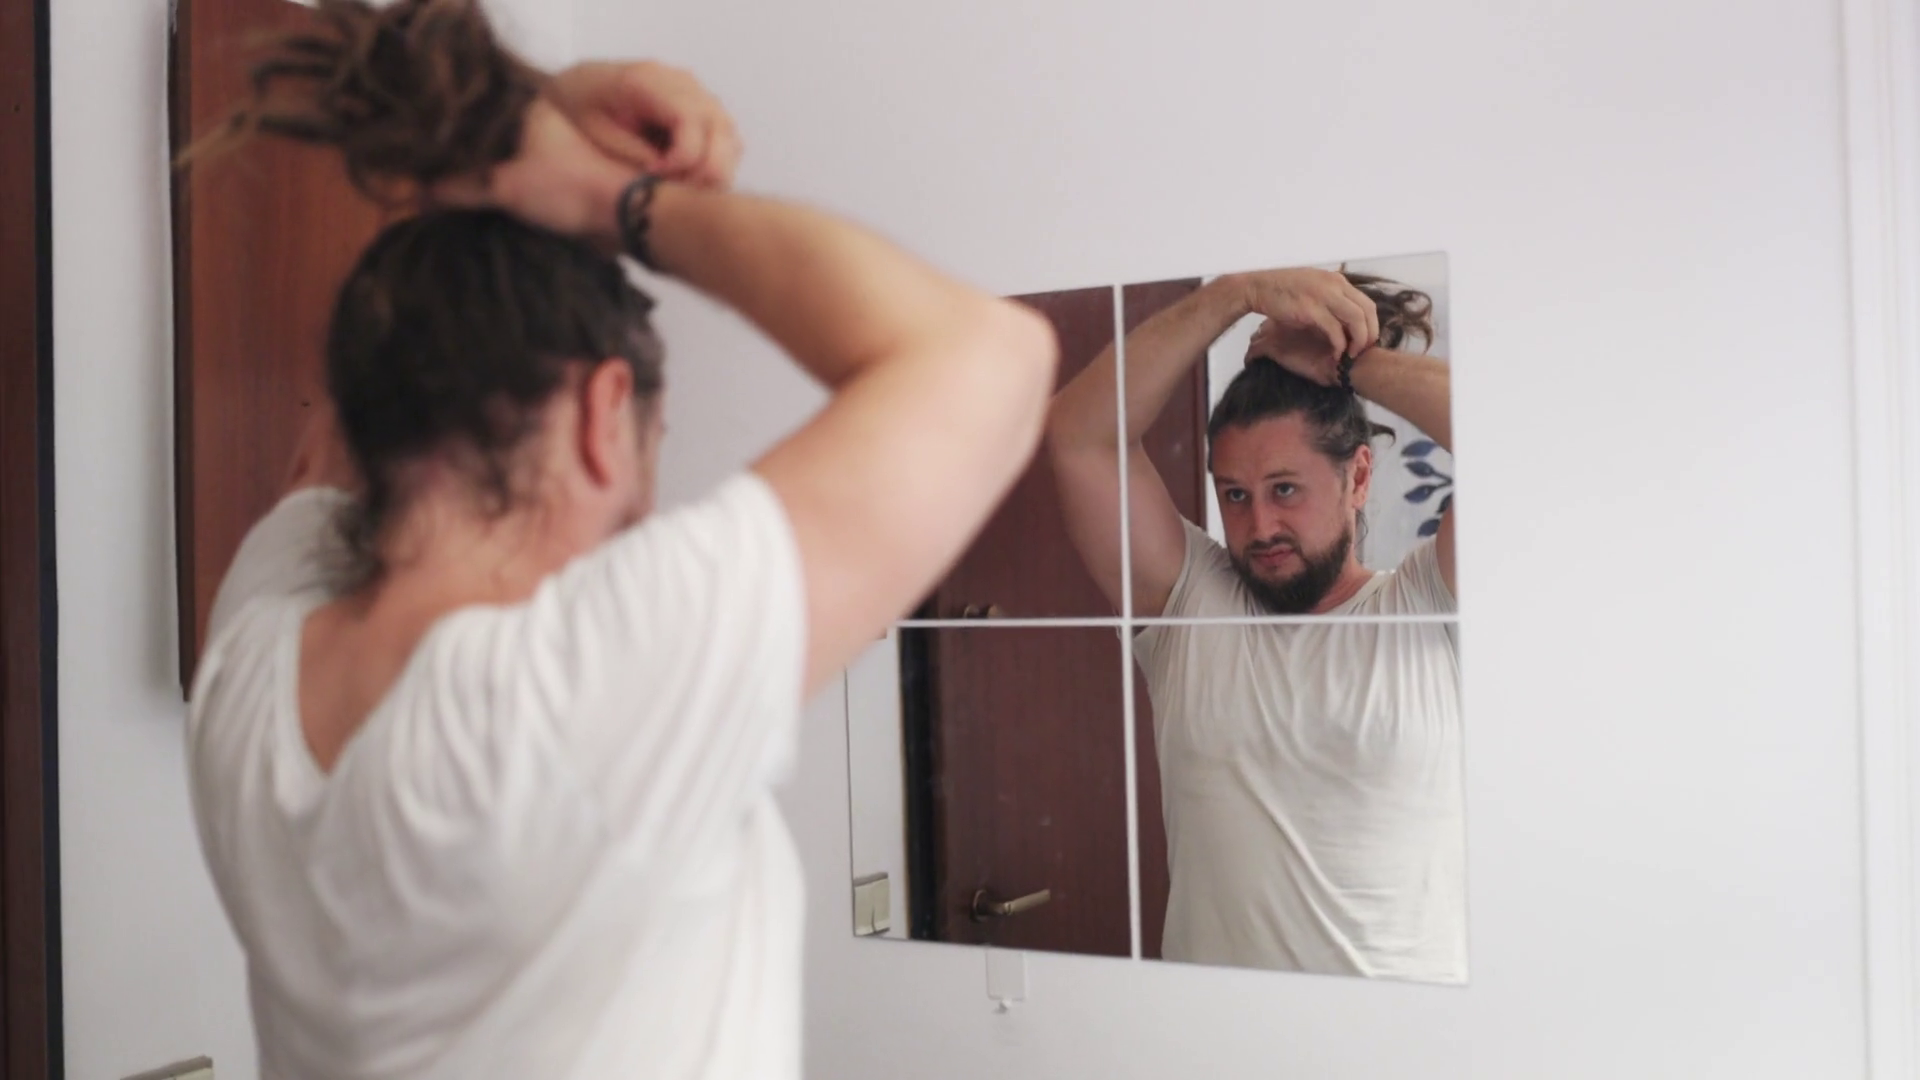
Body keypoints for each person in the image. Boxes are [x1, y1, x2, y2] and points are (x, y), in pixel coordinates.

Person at [183, 2, 1058, 1076]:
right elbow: (994, 356)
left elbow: (382, 357)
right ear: (604, 416)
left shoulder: (254, 665)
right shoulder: (574, 693)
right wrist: (610, 198)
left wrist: (539, 118)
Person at [1046, 268, 1464, 983]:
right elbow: (1080, 436)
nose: (1260, 525)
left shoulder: (1431, 604)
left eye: (1285, 489)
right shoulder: (1190, 606)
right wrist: (1232, 296)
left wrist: (1348, 365)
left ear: (1359, 478)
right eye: (1235, 495)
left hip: (1409, 1029)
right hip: (1218, 1032)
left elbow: (1515, 438)